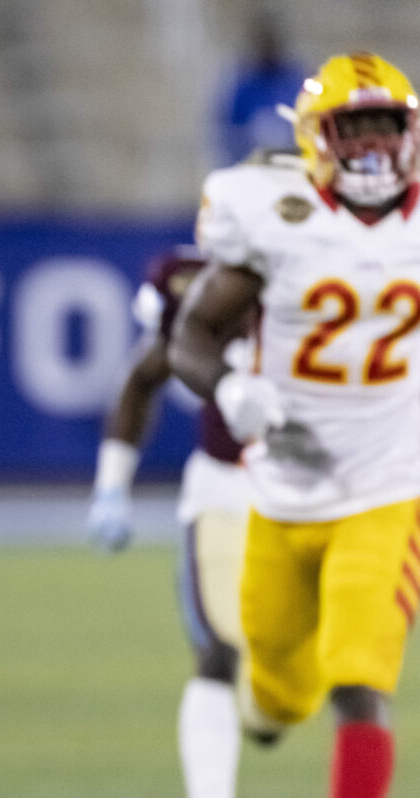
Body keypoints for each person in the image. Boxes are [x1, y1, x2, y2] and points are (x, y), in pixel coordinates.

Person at [170, 52, 420, 798]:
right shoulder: (273, 214)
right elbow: (190, 338)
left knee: (358, 679)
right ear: (317, 136)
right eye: (356, 128)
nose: (375, 147)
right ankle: (270, 708)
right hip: (280, 493)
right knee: (277, 694)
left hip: (388, 487)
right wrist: (231, 387)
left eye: (388, 127)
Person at [88, 242, 257, 798]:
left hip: (327, 490)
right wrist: (112, 487)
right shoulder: (199, 284)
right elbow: (145, 374)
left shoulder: (337, 270)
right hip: (227, 486)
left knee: (306, 674)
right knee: (216, 651)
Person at [213, 9, 307, 166]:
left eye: (271, 41)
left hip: (293, 166)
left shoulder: (295, 79)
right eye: (262, 42)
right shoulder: (240, 85)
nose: (267, 47)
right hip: (252, 168)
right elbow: (226, 133)